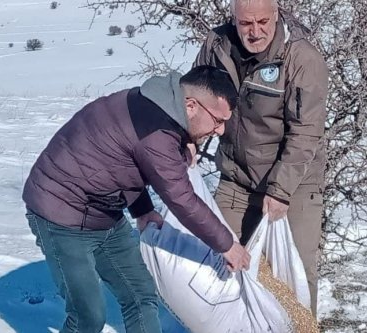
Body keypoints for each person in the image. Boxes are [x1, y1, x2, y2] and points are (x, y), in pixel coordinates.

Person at [21, 66, 250, 333]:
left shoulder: (157, 104)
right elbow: (181, 198)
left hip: (102, 213)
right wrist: (226, 244)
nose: (220, 131)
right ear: (190, 105)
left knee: (141, 296)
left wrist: (142, 210)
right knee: (88, 316)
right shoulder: (155, 131)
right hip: (60, 216)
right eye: (217, 120)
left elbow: (120, 160)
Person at [193, 0, 328, 314]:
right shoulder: (217, 45)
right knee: (214, 266)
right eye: (245, 24)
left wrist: (280, 190)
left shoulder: (301, 59)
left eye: (262, 22)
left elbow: (306, 132)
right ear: (234, 19)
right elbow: (194, 97)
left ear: (277, 14)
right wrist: (188, 140)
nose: (254, 32)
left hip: (293, 186)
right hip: (236, 179)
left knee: (293, 282)